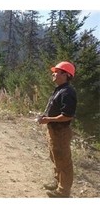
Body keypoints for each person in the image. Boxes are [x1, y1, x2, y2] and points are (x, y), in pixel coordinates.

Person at [38, 61, 77, 198]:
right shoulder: (60, 89)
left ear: (65, 75)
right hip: (54, 131)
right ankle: (57, 182)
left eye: (57, 72)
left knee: (64, 162)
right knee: (55, 158)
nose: (53, 74)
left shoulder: (67, 92)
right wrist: (45, 117)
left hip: (61, 132)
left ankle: (63, 191)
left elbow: (67, 116)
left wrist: (48, 120)